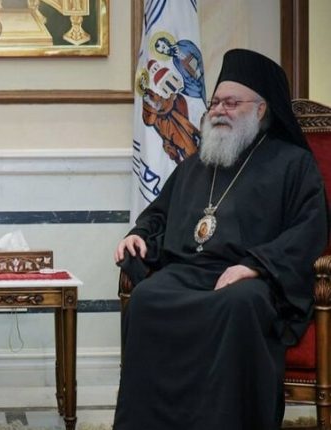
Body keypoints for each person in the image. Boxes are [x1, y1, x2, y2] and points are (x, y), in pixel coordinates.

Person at [113, 49, 328, 429]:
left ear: (260, 110)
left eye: (231, 103)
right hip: (188, 269)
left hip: (253, 276)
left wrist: (255, 266)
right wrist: (139, 235)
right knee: (146, 298)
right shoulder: (197, 163)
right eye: (215, 103)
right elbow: (160, 213)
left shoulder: (292, 163)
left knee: (239, 304)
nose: (218, 111)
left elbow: (309, 228)